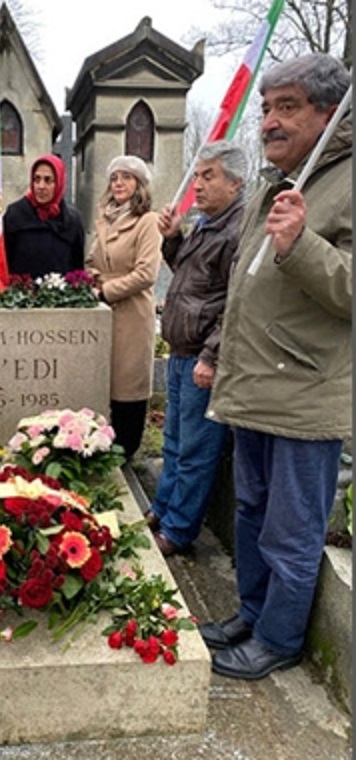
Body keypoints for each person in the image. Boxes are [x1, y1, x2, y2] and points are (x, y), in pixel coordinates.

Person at [199, 54, 351, 680]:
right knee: (252, 514)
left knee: (291, 530)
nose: (269, 121)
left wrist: (302, 245)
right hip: (254, 386)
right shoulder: (274, 182)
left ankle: (279, 638)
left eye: (287, 107)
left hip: (304, 392)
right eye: (266, 108)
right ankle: (254, 614)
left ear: (330, 113)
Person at [147, 141, 247, 557]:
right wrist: (173, 239)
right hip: (181, 352)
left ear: (235, 183)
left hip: (203, 360)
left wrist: (211, 356)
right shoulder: (208, 224)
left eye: (209, 176)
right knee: (173, 441)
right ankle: (163, 508)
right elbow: (190, 277)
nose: (198, 185)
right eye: (197, 175)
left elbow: (237, 302)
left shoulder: (237, 231)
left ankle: (178, 529)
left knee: (195, 451)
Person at [86, 155, 161, 459]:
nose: (118, 183)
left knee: (127, 385)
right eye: (114, 178)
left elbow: (146, 273)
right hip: (104, 315)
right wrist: (92, 278)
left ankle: (126, 452)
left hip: (132, 314)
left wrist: (105, 291)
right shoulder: (105, 220)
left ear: (139, 184)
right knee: (104, 383)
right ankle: (102, 447)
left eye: (126, 177)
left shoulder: (147, 221)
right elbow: (91, 260)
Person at [3, 154, 85, 279]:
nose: (41, 186)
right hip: (21, 290)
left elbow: (77, 269)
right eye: (37, 179)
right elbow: (4, 261)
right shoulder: (15, 215)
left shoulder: (72, 220)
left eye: (48, 180)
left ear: (59, 183)